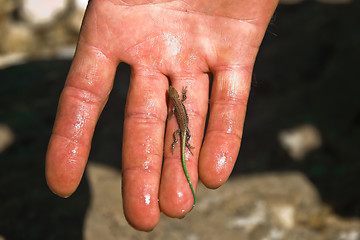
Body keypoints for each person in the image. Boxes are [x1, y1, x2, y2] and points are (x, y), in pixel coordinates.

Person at [45, 0, 279, 231]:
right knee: (179, 138)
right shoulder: (177, 100)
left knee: (179, 136)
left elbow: (177, 110)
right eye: (173, 95)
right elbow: (181, 102)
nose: (173, 95)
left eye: (173, 94)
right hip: (184, 125)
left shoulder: (174, 103)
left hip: (183, 127)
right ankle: (183, 151)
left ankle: (182, 151)